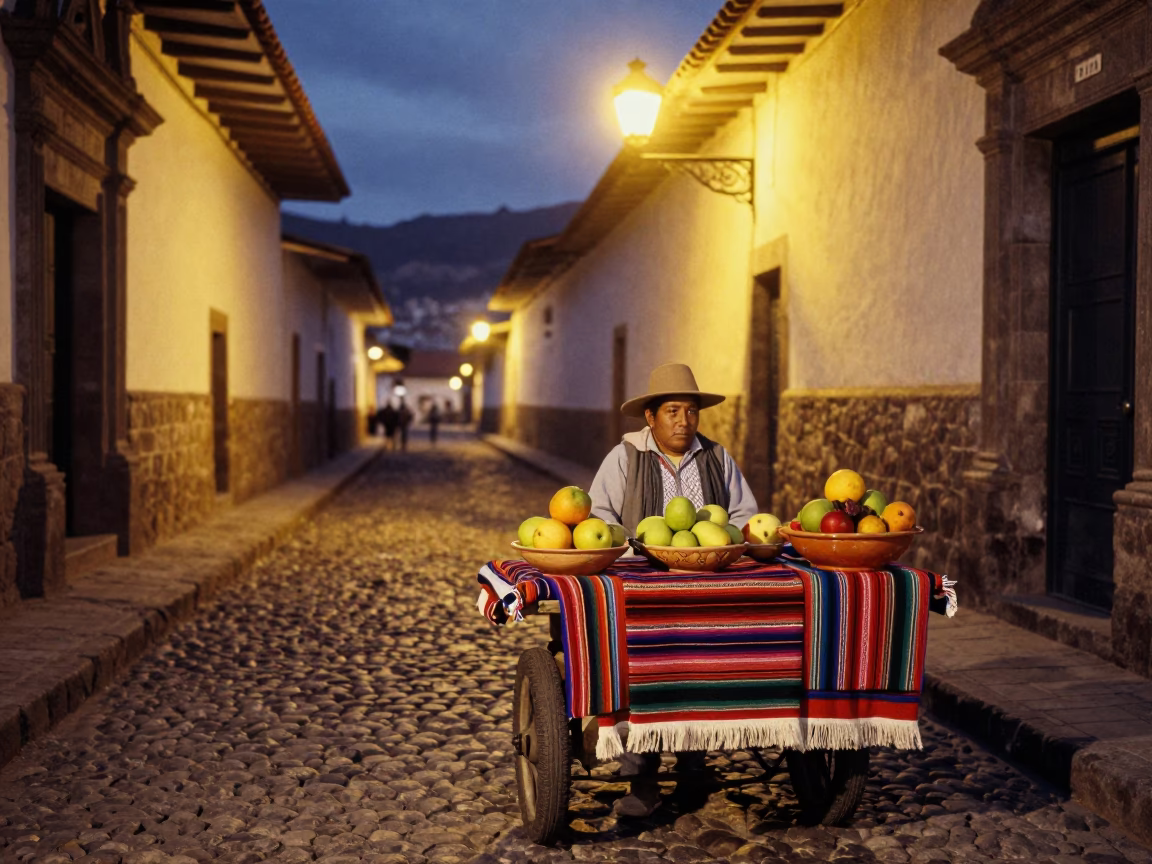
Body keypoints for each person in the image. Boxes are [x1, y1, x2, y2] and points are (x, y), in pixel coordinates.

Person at [588, 362, 759, 818]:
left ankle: (692, 766)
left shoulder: (718, 458)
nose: (684, 421)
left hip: (708, 589)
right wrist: (635, 549)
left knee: (705, 667)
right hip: (644, 592)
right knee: (645, 670)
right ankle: (642, 776)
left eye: (691, 411)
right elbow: (600, 518)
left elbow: (743, 515)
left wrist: (725, 543)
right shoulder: (623, 457)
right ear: (651, 417)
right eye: (672, 411)